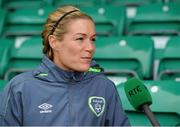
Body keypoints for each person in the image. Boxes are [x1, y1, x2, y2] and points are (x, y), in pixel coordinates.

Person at [0, 5, 130, 126]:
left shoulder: (104, 87)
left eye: (93, 39)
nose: (90, 47)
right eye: (80, 39)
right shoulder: (20, 88)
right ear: (54, 42)